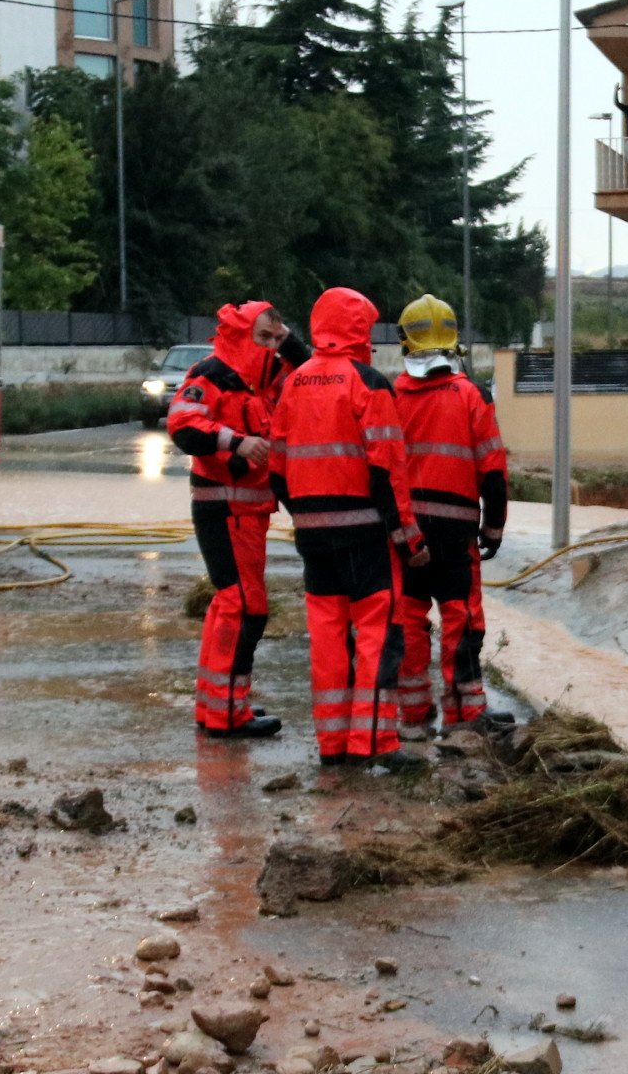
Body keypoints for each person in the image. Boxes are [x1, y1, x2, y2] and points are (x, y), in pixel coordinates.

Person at [270, 287, 429, 766]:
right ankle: (376, 743)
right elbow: (388, 470)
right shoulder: (369, 382)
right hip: (363, 533)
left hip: (312, 534)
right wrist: (409, 539)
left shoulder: (294, 382)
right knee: (377, 635)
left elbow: (276, 466)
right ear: (359, 329)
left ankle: (333, 745)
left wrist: (304, 514)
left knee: (327, 638)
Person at [166, 301, 295, 738]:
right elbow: (183, 427)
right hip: (224, 510)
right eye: (264, 338)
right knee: (242, 608)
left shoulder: (263, 380)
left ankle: (222, 704)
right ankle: (226, 712)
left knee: (234, 607)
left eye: (277, 340)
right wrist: (235, 442)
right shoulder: (212, 373)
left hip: (248, 513)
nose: (273, 348)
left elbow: (311, 365)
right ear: (242, 337)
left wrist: (283, 338)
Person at [390, 294, 510, 738]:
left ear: (405, 341)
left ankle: (414, 715)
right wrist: (494, 526)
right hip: (456, 534)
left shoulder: (390, 397)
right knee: (460, 617)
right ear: (454, 339)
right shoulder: (471, 397)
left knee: (409, 619)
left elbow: (381, 470)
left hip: (406, 534)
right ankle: (464, 713)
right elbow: (493, 470)